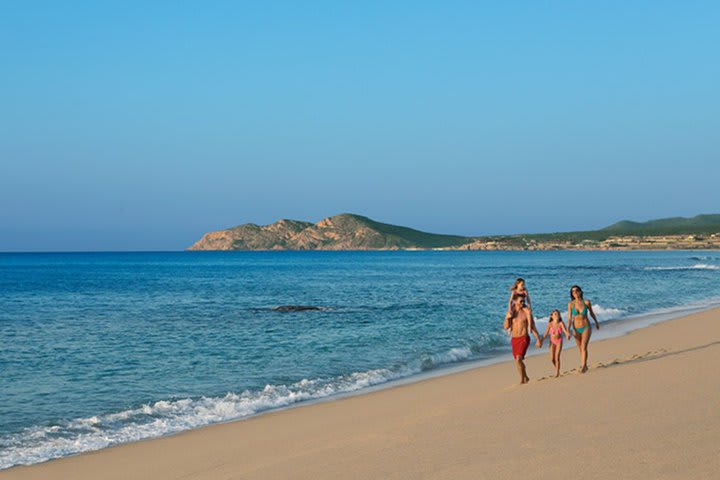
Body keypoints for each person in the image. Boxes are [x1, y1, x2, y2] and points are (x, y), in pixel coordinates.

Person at [504, 294, 542, 384]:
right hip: (514, 339)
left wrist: (538, 339)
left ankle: (522, 379)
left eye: (523, 301)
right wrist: (507, 318)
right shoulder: (512, 312)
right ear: (515, 302)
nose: (522, 303)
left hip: (524, 338)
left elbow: (532, 327)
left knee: (518, 359)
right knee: (518, 361)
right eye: (520, 301)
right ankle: (525, 377)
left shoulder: (526, 313)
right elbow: (506, 327)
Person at [567, 285, 600, 373]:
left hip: (586, 327)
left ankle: (583, 366)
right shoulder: (571, 304)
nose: (575, 293)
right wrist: (567, 330)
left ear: (580, 292)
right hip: (575, 329)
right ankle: (584, 365)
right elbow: (570, 318)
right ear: (572, 294)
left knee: (583, 346)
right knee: (580, 349)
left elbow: (592, 313)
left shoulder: (586, 302)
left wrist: (596, 322)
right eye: (573, 291)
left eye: (577, 290)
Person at [541, 309, 571, 377]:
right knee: (552, 359)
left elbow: (565, 330)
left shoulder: (561, 323)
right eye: (555, 314)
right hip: (552, 342)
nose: (556, 315)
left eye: (558, 314)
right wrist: (541, 340)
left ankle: (557, 372)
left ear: (560, 316)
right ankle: (557, 368)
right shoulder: (550, 324)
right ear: (552, 316)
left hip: (559, 341)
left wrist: (567, 334)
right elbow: (545, 333)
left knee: (557, 357)